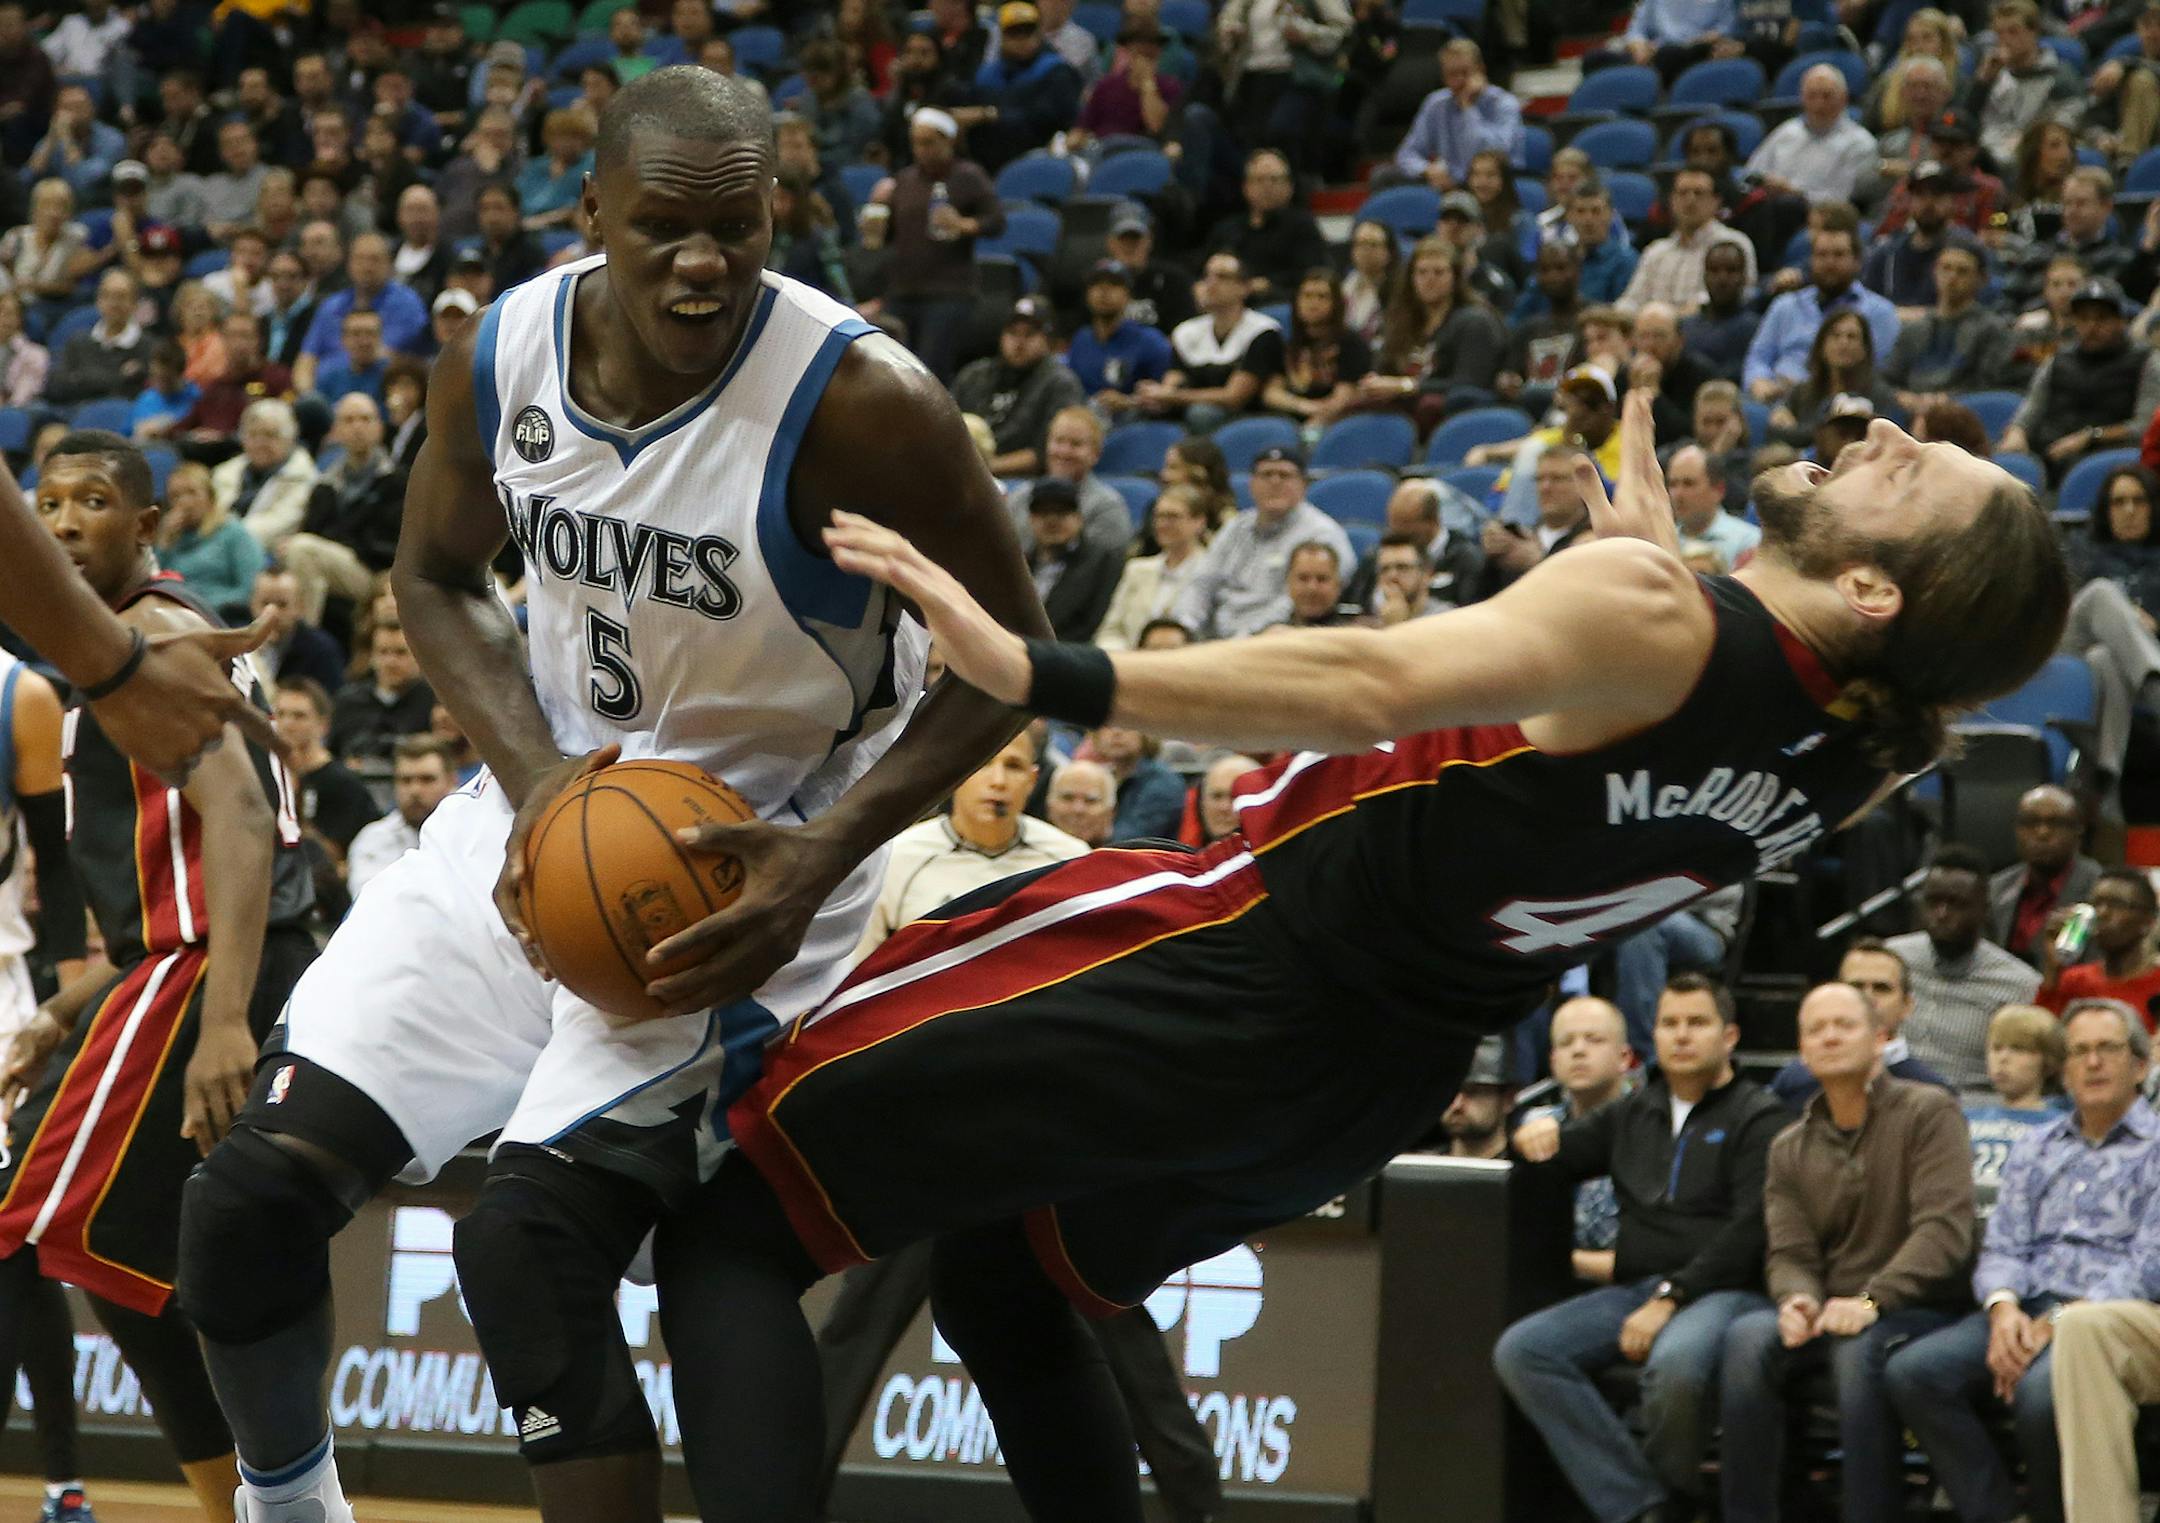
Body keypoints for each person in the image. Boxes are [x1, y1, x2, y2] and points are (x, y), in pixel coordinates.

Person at [682, 391, 2071, 1523]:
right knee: (1010, 1283)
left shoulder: (1657, 618)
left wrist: (1038, 670)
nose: (1886, 431)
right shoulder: (1868, 753)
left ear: (1876, 586)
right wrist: (1656, 575)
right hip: (1360, 1081)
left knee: (734, 1215)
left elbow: (1368, 684)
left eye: (1916, 470)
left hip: (1239, 956)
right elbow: (1694, 709)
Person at [173, 67, 1052, 1523]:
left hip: (745, 865)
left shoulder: (867, 404)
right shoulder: (498, 355)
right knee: (245, 1210)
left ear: (780, 215)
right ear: (590, 214)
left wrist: (823, 848)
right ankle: (290, 1508)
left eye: (740, 226)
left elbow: (1008, 663)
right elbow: (435, 578)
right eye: (663, 228)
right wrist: (538, 789)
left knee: (526, 1250)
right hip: (542, 808)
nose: (703, 260)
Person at [0, 431, 316, 1523]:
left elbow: (237, 813)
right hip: (173, 965)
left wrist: (224, 1012)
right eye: (44, 502)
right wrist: (62, 1005)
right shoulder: (113, 646)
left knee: (26, 1220)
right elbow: (153, 894)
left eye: (92, 500)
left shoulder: (154, 631)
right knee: (126, 1265)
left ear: (147, 527)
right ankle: (257, 1500)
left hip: (206, 972)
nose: (64, 520)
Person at [816, 726, 1225, 1523]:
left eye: (1014, 764)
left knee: (1123, 1331)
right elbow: (852, 999)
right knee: (853, 1332)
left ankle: (1199, 1508)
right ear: (954, 774)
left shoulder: (1066, 859)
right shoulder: (898, 860)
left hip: (1045, 1138)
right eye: (984, 762)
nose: (999, 779)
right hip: (930, 1142)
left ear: (1035, 776)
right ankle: (782, 1501)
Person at [1500, 975, 1786, 1523]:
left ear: (1729, 1037)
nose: (1682, 1036)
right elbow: (1556, 1158)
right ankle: (1644, 1505)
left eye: (1697, 1023)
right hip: (1634, 1289)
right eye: (1670, 1024)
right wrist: (1530, 1136)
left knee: (1676, 1368)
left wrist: (1671, 1297)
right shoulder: (1636, 1111)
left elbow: (1750, 1232)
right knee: (1525, 1350)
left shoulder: (1760, 1116)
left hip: (1728, 1292)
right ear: (1653, 1036)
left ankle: (1665, 1499)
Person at [1885, 998, 2160, 1523]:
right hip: (2025, 1303)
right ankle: (1995, 1512)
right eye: (2078, 1052)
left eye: (2107, 1049)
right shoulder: (2036, 1146)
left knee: (2041, 1397)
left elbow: (2148, 1264)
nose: (2092, 1063)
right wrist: (2003, 1310)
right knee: (1914, 1371)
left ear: (2141, 1065)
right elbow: (2004, 1244)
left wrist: (2057, 1323)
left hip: (2105, 1316)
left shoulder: (2156, 1148)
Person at [1720, 980, 1975, 1523]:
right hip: (1833, 1308)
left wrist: (1871, 1300)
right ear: (1802, 1050)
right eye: (1817, 1029)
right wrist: (1796, 1299)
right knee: (1747, 1337)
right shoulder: (1789, 1145)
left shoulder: (1930, 1111)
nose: (1830, 1037)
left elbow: (1944, 1232)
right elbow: (1788, 1251)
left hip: (1922, 1306)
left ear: (1881, 1038)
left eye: (1845, 1025)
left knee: (1859, 1354)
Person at [0, 610, 94, 1523]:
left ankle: (62, 1479)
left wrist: (69, 1010)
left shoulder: (16, 695)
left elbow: (58, 875)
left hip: (1, 997)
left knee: (14, 1254)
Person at [1889, 845, 2045, 1091]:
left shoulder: (2019, 984)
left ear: (1984, 910)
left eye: (1956, 904)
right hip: (1887, 1097)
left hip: (1973, 1107)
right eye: (1933, 901)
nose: (1941, 914)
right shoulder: (1891, 960)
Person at [878, 107, 1003, 384]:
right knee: (887, 368)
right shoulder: (905, 180)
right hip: (903, 288)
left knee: (929, 373)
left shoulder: (968, 176)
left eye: (928, 142)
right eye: (916, 143)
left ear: (948, 141)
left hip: (947, 291)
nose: (921, 150)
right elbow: (891, 233)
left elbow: (996, 221)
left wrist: (965, 225)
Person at [1173, 444, 1351, 639]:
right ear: (1251, 484)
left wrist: (1244, 639)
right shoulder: (1235, 527)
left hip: (1274, 640)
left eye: (1285, 475)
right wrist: (1184, 628)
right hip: (1216, 640)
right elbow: (1201, 585)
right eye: (1266, 475)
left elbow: (1298, 603)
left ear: (1303, 485)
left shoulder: (1322, 534)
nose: (1275, 482)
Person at [1998, 278, 2160, 480]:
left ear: (2121, 321)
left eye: (2102, 318)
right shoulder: (2058, 360)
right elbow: (2031, 409)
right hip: (2049, 453)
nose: (2092, 327)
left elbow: (2144, 425)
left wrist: (2091, 436)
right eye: (2084, 318)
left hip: (2108, 460)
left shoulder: (2145, 361)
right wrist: (2017, 432)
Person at [1525, 996, 1634, 1285]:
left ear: (1625, 1057)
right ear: (1553, 1060)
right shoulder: (1531, 1125)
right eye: (1566, 1042)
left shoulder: (1649, 1124)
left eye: (1594, 1039)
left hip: (1624, 1284)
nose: (1578, 1051)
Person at [1769, 938, 1952, 1106]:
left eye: (1881, 988)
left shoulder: (1934, 1093)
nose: (1867, 998)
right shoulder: (1793, 1082)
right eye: (1855, 987)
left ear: (1907, 1005)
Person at [1743, 217, 1900, 402]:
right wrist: (1760, 382)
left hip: (1845, 405)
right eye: (1822, 255)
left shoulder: (1880, 313)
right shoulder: (1786, 306)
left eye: (1838, 255)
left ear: (1857, 261)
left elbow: (1880, 373)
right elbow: (1758, 358)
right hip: (1777, 402)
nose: (1829, 263)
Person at [1139, 250, 1286, 434]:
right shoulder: (1187, 331)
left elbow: (1234, 397)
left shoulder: (1263, 331)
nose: (1211, 283)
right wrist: (1156, 396)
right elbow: (1174, 378)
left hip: (1245, 418)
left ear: (1245, 288)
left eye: (1222, 277)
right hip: (1191, 406)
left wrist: (1173, 396)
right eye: (1207, 275)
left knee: (1201, 413)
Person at [953, 298, 1087, 479]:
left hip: (1024, 482)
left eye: (1030, 334)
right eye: (1012, 333)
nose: (1019, 342)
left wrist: (985, 469)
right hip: (967, 473)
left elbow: (1047, 453)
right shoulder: (974, 375)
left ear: (1047, 340)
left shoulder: (1060, 383)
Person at [1883, 242, 2013, 414]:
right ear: (1934, 272)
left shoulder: (1992, 329)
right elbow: (1886, 378)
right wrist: (1902, 397)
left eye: (1962, 271)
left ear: (1982, 279)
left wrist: (1945, 401)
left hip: (1964, 412)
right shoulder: (1914, 329)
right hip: (1910, 410)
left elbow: (1988, 385)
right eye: (1946, 268)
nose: (1952, 277)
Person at [1617, 166, 1757, 316]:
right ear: (1672, 200)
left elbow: (1744, 296)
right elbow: (1631, 300)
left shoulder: (1734, 244)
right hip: (1653, 333)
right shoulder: (1656, 251)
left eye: (1699, 193)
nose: (1690, 200)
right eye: (1682, 193)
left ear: (1716, 201)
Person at [1388, 38, 1524, 192]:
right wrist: (1427, 169)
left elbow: (1494, 155)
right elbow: (1407, 153)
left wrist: (1468, 108)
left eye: (1465, 73)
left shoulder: (1504, 103)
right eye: (1452, 74)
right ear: (1443, 78)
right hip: (1449, 183)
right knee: (1383, 176)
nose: (1460, 80)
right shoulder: (1436, 103)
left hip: (1494, 183)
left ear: (1481, 70)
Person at [1988, 783, 2102, 965]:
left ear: (2079, 830)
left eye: (2056, 823)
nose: (2043, 833)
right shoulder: (1995, 889)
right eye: (2030, 823)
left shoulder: (2100, 892)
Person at [1964, 1004, 2065, 1208]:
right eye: (1996, 1048)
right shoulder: (1964, 1117)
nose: (2003, 1058)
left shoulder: (2059, 1126)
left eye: (2019, 1049)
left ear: (2048, 1060)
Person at [1966, 0, 2084, 168]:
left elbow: (2067, 122)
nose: (2005, 40)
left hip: (2030, 155)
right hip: (1985, 152)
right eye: (1999, 33)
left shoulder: (2059, 75)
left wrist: (2028, 140)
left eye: (2013, 32)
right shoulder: (1990, 72)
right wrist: (1982, 83)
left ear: (2033, 32)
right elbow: (1966, 120)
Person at [270, 680, 377, 862]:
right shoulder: (265, 774)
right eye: (280, 714)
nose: (287, 724)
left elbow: (337, 855)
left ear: (323, 725)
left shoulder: (343, 784)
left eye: (299, 716)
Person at [1005, 408, 1133, 559]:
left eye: (1076, 444)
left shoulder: (1107, 507)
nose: (1064, 452)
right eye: (1058, 441)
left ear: (1096, 454)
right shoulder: (1020, 497)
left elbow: (1102, 567)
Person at [1206, 149, 1330, 302]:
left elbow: (1312, 274)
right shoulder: (1227, 230)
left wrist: (1269, 286)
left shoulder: (1302, 227)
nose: (1267, 186)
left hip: (1280, 303)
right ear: (1246, 187)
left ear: (1289, 187)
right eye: (1259, 180)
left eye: (1275, 179)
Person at [2038, 869, 2160, 1024]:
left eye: (2116, 904)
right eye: (2096, 904)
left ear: (2148, 921)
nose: (2102, 913)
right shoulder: (2074, 980)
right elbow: (2037, 1039)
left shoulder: (2156, 984)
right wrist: (2052, 969)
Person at [1097, 486, 1211, 651]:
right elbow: (1111, 630)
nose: (1163, 524)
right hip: (1132, 664)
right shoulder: (1136, 569)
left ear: (1199, 522)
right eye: (1159, 516)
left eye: (1173, 516)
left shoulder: (1212, 572)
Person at [1747, 65, 1879, 206]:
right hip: (1768, 207)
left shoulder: (1860, 143)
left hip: (1819, 217)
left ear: (1843, 99)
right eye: (1811, 96)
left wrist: (1794, 192)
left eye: (1827, 96)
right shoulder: (1787, 131)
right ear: (1802, 98)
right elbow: (1752, 172)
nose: (1818, 105)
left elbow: (1841, 200)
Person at [343, 734, 458, 895]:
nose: (415, 790)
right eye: (406, 780)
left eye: (427, 780)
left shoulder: (473, 833)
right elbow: (372, 901)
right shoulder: (374, 838)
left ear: (452, 781)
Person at [1065, 260, 1173, 419]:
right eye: (1096, 284)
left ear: (1128, 295)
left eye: (1114, 284)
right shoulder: (1081, 339)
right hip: (1084, 420)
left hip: (1131, 425)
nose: (1104, 290)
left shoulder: (1150, 341)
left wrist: (1129, 402)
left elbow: (1166, 399)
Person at [1019, 478, 1121, 642]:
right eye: (1043, 513)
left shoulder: (1102, 562)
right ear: (1031, 519)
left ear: (1079, 518)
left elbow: (1093, 624)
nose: (1052, 521)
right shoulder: (1020, 564)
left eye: (1062, 513)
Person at [1665, 445, 1759, 567]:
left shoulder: (1748, 543)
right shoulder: (1662, 542)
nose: (1677, 494)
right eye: (1672, 484)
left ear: (1719, 490)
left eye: (1689, 484)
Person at [1681, 243, 1762, 382]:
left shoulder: (1755, 328)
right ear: (1704, 276)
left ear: (1744, 277)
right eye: (1714, 270)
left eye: (1731, 271)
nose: (1722, 279)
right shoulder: (1685, 327)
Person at [1438, 1036, 1513, 1157]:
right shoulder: (1419, 1168)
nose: (1457, 1104)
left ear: (1508, 1098)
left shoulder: (1525, 1173)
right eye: (1450, 1091)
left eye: (1473, 1092)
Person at [1045, 756, 1117, 846]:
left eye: (1090, 801)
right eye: (1068, 798)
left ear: (1110, 812)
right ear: (1049, 805)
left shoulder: (1124, 858)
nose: (1077, 809)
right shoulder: (1030, 857)